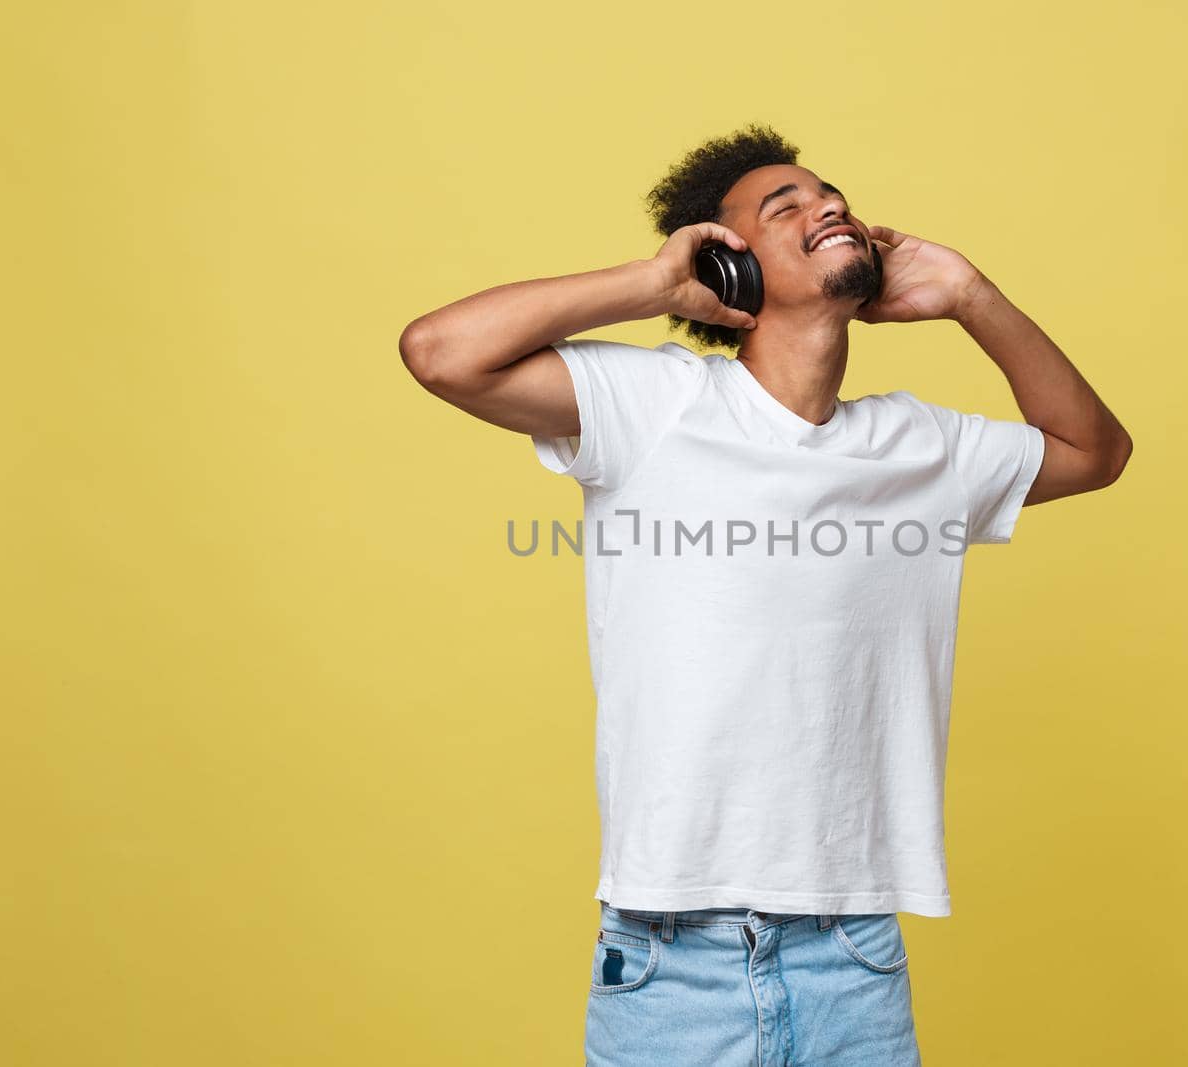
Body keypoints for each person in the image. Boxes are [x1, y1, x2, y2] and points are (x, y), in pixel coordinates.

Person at [398, 123, 1132, 1066]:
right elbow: (439, 351)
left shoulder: (922, 448)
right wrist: (653, 285)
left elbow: (1094, 452)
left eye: (833, 197)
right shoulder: (657, 407)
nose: (828, 207)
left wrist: (970, 296)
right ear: (729, 267)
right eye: (785, 207)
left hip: (853, 956)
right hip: (671, 961)